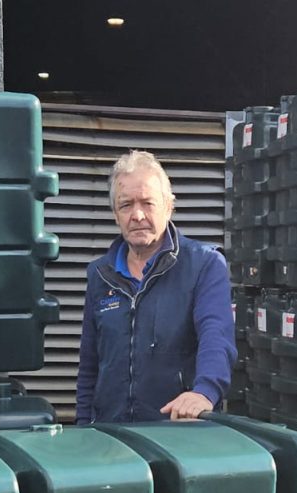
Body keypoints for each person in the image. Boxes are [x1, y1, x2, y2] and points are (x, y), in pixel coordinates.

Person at [75, 150, 236, 423]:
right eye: (126, 205)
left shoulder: (204, 265)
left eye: (147, 203)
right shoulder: (100, 274)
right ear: (115, 214)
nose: (137, 215)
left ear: (168, 206)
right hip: (111, 438)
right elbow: (90, 363)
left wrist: (205, 392)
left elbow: (216, 335)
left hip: (178, 433)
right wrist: (82, 426)